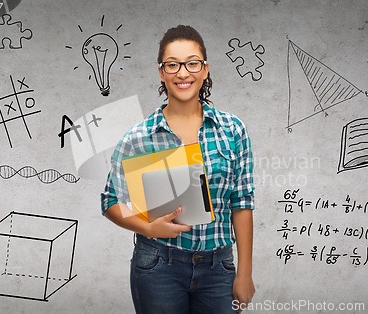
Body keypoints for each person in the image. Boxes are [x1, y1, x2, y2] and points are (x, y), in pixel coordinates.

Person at [101, 25, 255, 314]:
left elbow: (242, 202)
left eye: (192, 63)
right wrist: (147, 226)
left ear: (205, 69)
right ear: (161, 72)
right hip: (158, 263)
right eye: (172, 65)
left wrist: (244, 273)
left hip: (218, 266)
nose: (183, 73)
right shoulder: (139, 137)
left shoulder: (233, 130)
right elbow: (110, 200)